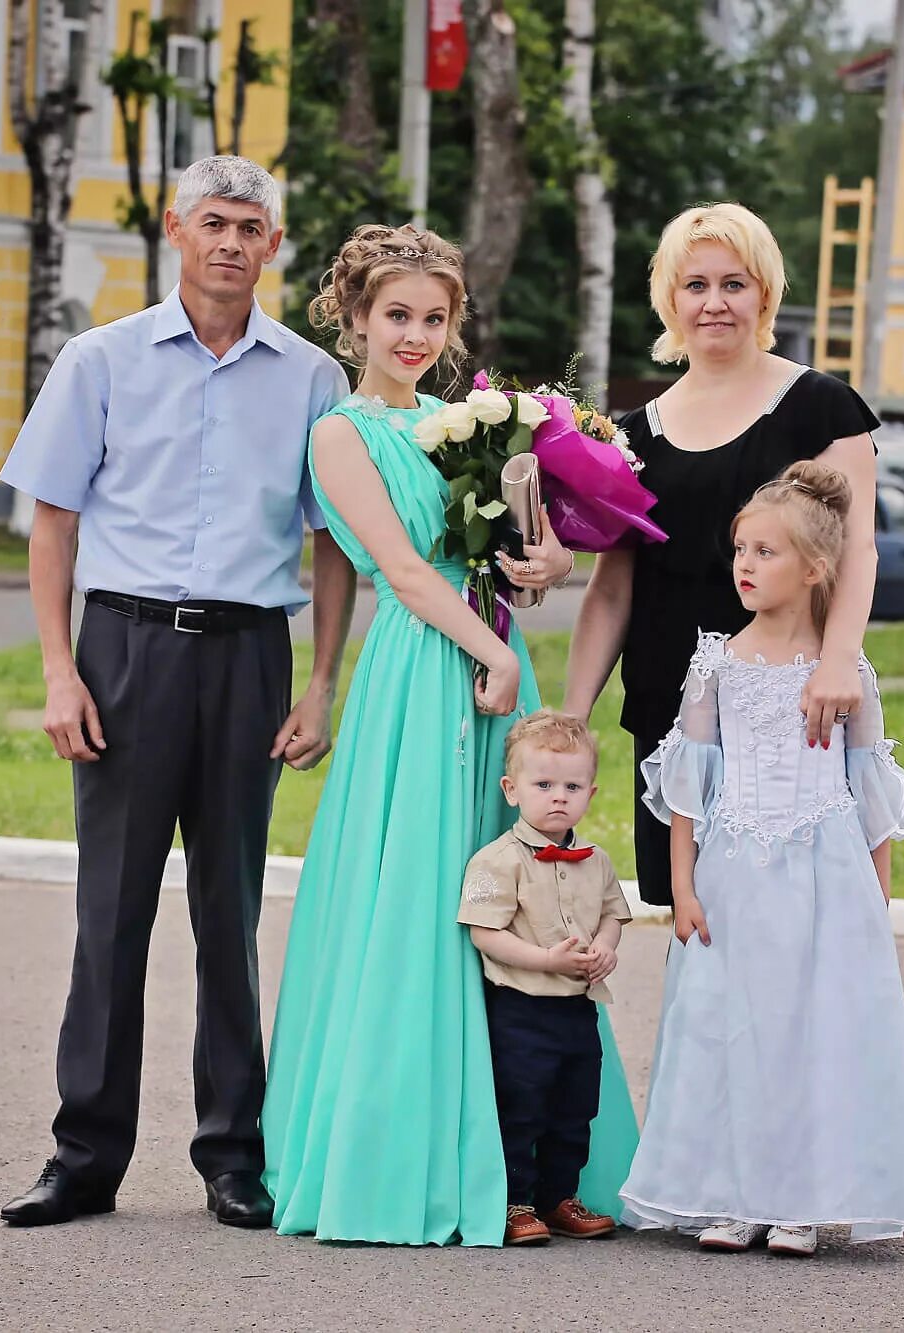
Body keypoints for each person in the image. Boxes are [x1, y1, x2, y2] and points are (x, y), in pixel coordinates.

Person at [258, 224, 640, 1246]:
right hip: (424, 669)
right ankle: (411, 1156)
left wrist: (541, 565)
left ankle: (531, 1166)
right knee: (422, 898)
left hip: (486, 653)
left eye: (434, 317)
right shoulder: (340, 434)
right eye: (397, 315)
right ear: (355, 318)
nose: (417, 334)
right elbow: (406, 568)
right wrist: (499, 652)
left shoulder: (466, 423)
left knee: (514, 882)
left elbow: (521, 543)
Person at [0, 156, 358, 1229]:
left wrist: (322, 682)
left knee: (227, 916)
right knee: (109, 914)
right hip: (123, 652)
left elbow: (330, 543)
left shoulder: (308, 379)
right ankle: (84, 1158)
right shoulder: (100, 361)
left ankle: (231, 1157)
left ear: (273, 245)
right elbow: (52, 523)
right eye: (214, 222)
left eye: (252, 225)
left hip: (249, 658)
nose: (232, 242)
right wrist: (60, 672)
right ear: (174, 230)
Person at [618, 461, 904, 1254]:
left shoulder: (844, 675)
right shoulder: (715, 664)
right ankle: (733, 1194)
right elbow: (689, 787)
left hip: (823, 873)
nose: (745, 564)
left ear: (814, 568)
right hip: (733, 873)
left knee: (813, 1029)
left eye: (766, 552)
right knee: (729, 1027)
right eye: (741, 548)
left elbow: (871, 791)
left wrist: (876, 897)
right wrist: (683, 887)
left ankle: (801, 1197)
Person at [563, 203, 881, 910]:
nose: (715, 303)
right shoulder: (632, 434)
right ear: (670, 299)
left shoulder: (822, 408)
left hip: (789, 701)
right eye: (696, 285)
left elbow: (858, 549)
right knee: (692, 914)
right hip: (670, 708)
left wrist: (838, 660)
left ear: (764, 294)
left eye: (734, 284)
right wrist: (574, 717)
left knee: (787, 908)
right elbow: (613, 588)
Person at [458, 711, 633, 1247]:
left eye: (572, 786)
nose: (559, 796)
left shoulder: (597, 860)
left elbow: (611, 913)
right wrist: (544, 960)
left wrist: (605, 945)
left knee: (575, 1108)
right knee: (522, 1107)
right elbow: (485, 934)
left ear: (590, 792)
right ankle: (514, 1203)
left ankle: (561, 1198)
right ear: (512, 790)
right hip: (521, 1008)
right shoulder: (496, 861)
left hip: (577, 1010)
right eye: (544, 784)